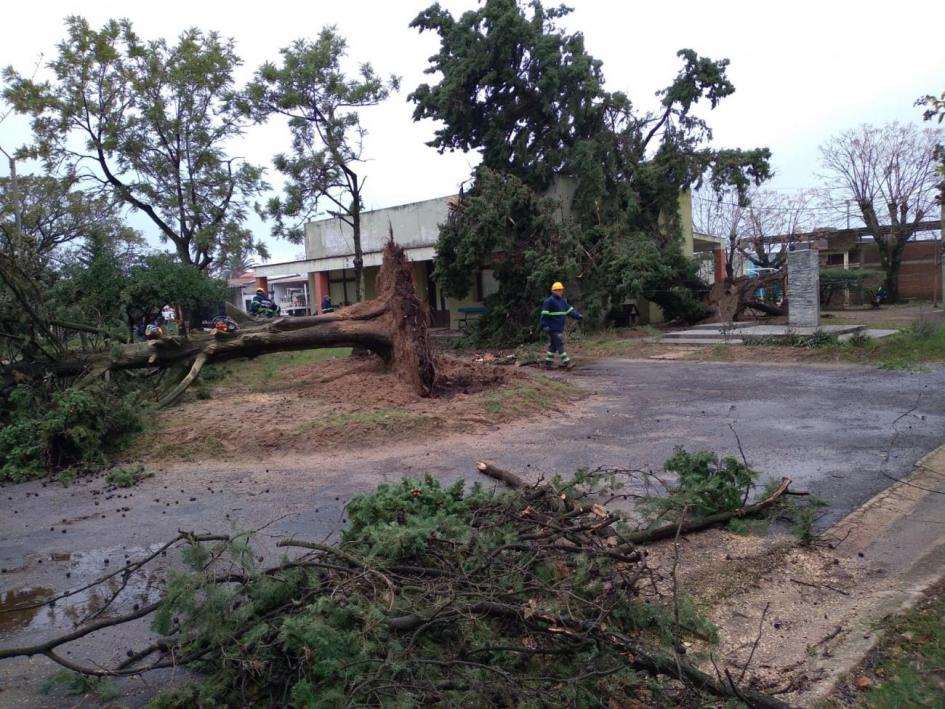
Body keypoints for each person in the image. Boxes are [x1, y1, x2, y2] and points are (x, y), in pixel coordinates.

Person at [539, 281, 582, 369]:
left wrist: (578, 316)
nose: (560, 292)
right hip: (552, 328)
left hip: (559, 328)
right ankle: (567, 363)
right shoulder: (549, 301)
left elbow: (570, 311)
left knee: (553, 346)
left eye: (561, 290)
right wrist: (544, 325)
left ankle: (548, 363)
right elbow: (544, 315)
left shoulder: (562, 302)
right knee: (560, 344)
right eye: (558, 290)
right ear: (553, 291)